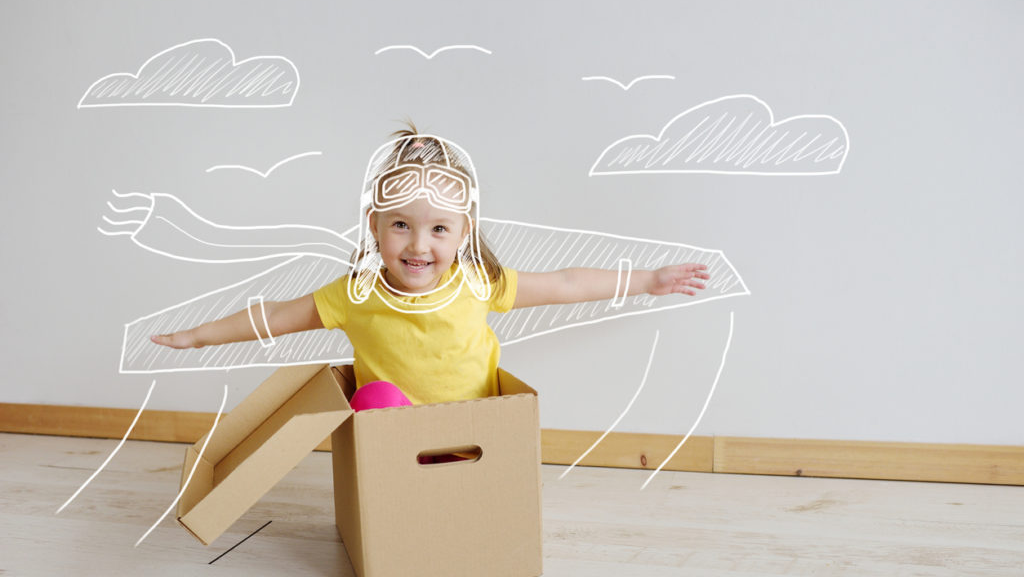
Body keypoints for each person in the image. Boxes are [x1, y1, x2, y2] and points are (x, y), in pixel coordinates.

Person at [152, 125, 710, 416]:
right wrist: (199, 335)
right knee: (372, 400)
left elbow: (564, 283)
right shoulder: (356, 294)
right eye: (401, 225)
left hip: (473, 430)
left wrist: (646, 281)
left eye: (439, 229)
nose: (419, 245)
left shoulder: (477, 283)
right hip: (393, 443)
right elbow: (275, 316)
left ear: (463, 233)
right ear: (374, 225)